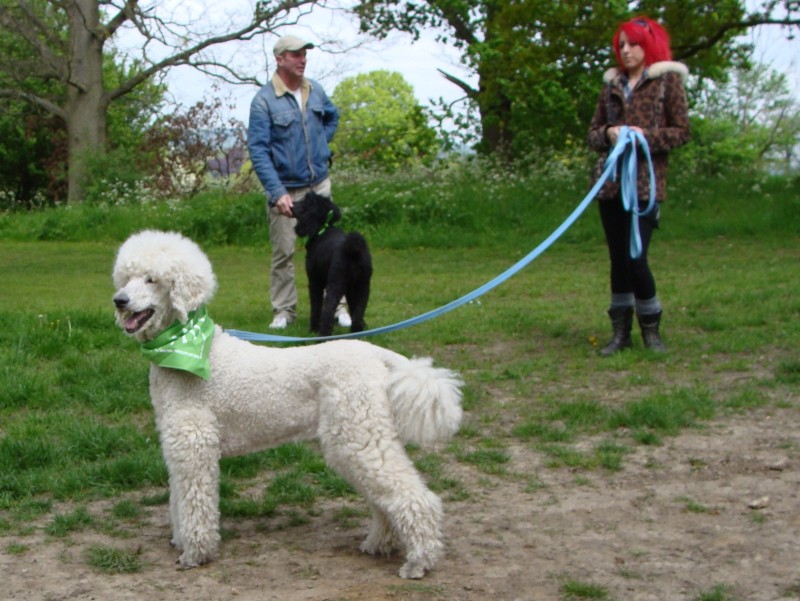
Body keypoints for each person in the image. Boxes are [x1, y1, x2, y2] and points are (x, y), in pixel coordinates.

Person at [587, 16, 690, 355]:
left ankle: (651, 329)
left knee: (636, 259)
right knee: (618, 259)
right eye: (621, 45)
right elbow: (593, 133)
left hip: (645, 187)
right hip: (611, 185)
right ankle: (621, 333)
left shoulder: (667, 82)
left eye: (632, 44)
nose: (626, 51)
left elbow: (681, 132)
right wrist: (610, 134)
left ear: (648, 45)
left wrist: (646, 137)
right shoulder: (611, 84)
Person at [248, 34, 349, 330]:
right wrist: (277, 192)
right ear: (280, 60)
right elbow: (258, 151)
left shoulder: (315, 90)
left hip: (319, 185)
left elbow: (332, 117)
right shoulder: (263, 102)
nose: (302, 59)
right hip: (286, 190)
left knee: (333, 248)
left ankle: (339, 306)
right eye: (295, 54)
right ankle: (284, 311)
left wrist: (320, 145)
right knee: (284, 252)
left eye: (305, 54)